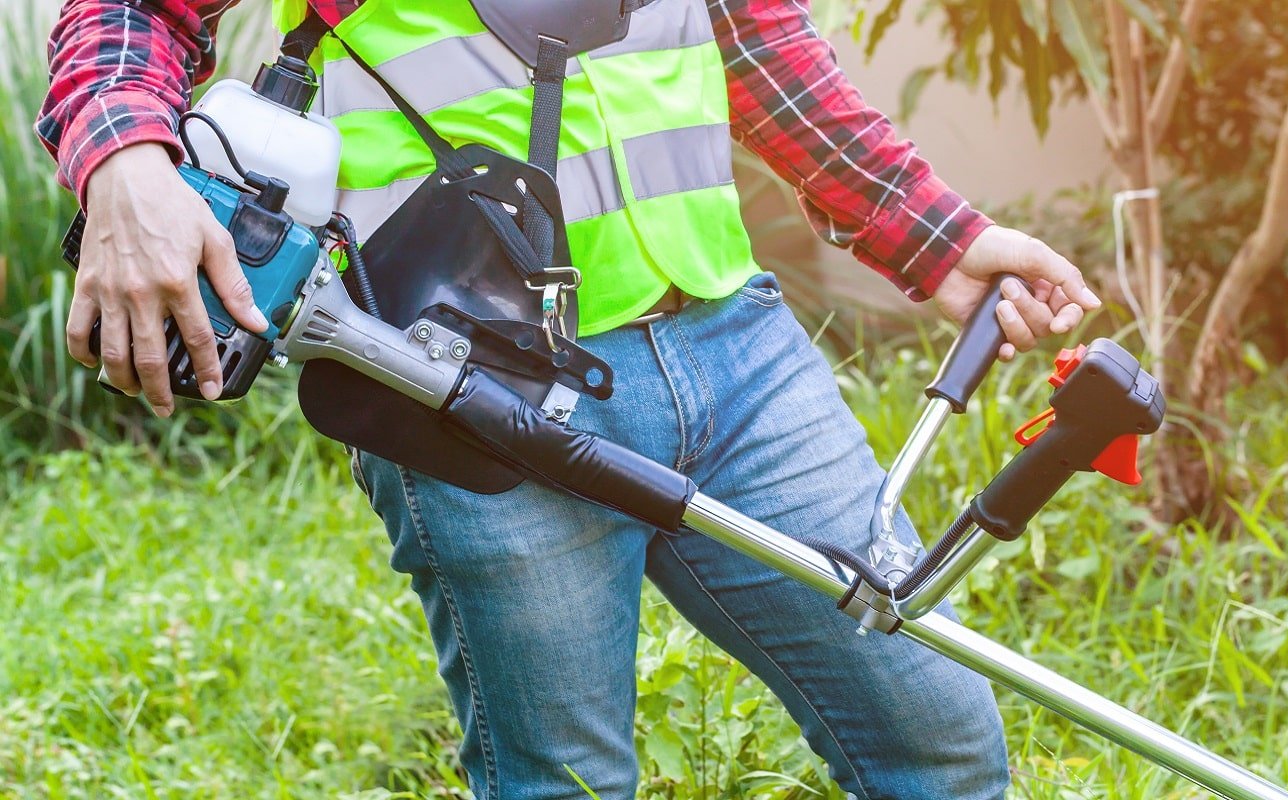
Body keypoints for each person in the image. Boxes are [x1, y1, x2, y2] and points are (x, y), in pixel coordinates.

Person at [38, 1, 1102, 797]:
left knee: (938, 736)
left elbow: (758, 44)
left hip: (736, 349)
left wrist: (940, 239)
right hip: (462, 378)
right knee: (568, 782)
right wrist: (127, 161)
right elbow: (127, 15)